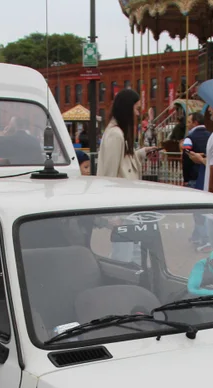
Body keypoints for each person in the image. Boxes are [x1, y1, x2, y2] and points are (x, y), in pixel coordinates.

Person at [96, 88, 158, 264]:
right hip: (121, 205)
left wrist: (141, 153)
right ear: (127, 108)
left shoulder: (117, 132)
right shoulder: (116, 134)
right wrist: (111, 213)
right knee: (124, 254)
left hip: (125, 204)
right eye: (136, 109)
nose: (138, 114)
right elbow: (109, 174)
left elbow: (122, 163)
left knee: (129, 251)